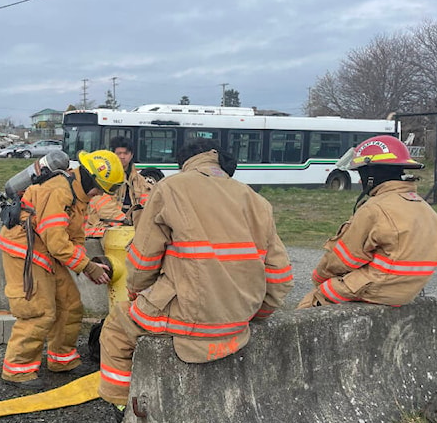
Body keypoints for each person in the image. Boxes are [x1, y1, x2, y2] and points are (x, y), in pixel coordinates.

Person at [97, 138, 293, 409]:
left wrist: (137, 293)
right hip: (238, 324)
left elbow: (142, 265)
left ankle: (122, 408)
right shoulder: (257, 200)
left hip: (185, 319)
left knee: (116, 330)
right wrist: (255, 315)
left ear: (185, 163)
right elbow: (281, 277)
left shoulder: (170, 188)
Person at [0, 149, 125, 389]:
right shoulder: (58, 191)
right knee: (39, 311)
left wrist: (85, 262)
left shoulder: (78, 195)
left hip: (47, 251)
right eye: (100, 188)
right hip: (26, 251)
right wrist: (88, 267)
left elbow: (74, 236)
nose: (99, 194)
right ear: (91, 180)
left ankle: (62, 360)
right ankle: (17, 370)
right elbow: (56, 240)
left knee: (70, 305)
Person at [297, 135, 437, 308]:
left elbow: (344, 259)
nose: (360, 180)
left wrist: (318, 278)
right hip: (407, 291)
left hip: (375, 290)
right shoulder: (424, 208)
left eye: (361, 173)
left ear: (371, 174)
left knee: (309, 305)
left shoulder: (375, 209)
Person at [83, 136, 161, 237]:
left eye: (126, 153)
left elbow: (149, 203)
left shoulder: (140, 180)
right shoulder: (104, 176)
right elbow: (103, 207)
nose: (122, 156)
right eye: (119, 153)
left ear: (131, 155)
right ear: (113, 155)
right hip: (105, 227)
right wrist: (124, 221)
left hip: (131, 228)